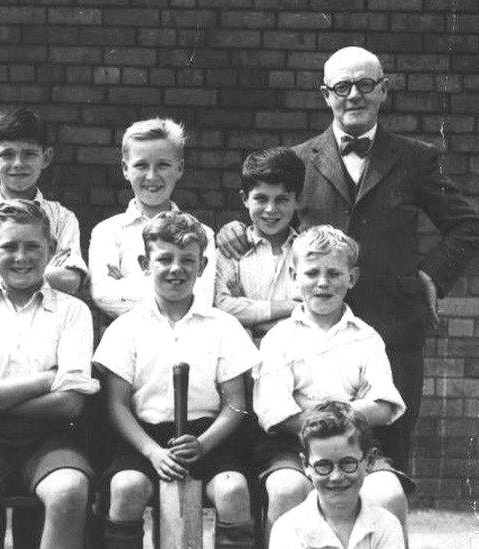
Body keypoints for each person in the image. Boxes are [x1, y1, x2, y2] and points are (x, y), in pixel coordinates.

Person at [217, 46, 479, 471]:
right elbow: (271, 216)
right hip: (310, 337)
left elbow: (466, 226)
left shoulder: (416, 158)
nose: (353, 95)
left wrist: (431, 277)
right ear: (326, 95)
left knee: (387, 460)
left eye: (365, 85)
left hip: (392, 327)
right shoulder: (299, 160)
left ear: (384, 91)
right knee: (301, 458)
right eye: (342, 86)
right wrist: (234, 230)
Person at [95, 210, 257, 549]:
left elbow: (237, 406)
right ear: (145, 263)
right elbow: (116, 406)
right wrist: (153, 453)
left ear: (201, 266)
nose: (176, 268)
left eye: (187, 260)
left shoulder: (224, 326)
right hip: (144, 440)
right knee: (126, 487)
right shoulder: (126, 328)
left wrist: (204, 444)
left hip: (208, 438)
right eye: (164, 258)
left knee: (233, 489)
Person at [0, 200, 98, 548]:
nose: (21, 257)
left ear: (52, 251)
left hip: (53, 439)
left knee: (70, 491)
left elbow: (70, 404)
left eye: (32, 246)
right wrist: (45, 380)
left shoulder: (73, 312)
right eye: (9, 246)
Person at [255, 226, 410, 541]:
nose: (322, 283)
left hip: (358, 444)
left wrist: (334, 423)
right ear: (294, 274)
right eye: (312, 273)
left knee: (388, 494)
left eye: (334, 274)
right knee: (287, 489)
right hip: (294, 445)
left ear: (352, 278)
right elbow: (277, 413)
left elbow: (382, 406)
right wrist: (343, 416)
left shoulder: (366, 337)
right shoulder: (278, 338)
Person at [0, 107, 87, 297]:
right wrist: (40, 273)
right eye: (7, 154)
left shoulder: (62, 217)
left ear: (46, 158)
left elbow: (69, 280)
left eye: (29, 154)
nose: (18, 163)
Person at [89, 118, 217, 319]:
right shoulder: (107, 231)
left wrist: (125, 284)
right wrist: (175, 290)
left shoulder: (203, 234)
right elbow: (104, 296)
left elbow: (201, 299)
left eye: (163, 165)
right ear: (125, 169)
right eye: (141, 165)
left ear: (180, 168)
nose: (151, 176)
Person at [269, 401, 404, 549]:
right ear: (306, 465)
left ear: (369, 461)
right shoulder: (288, 529)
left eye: (348, 463)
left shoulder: (385, 526)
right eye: (323, 466)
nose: (336, 477)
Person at [215, 147, 303, 341]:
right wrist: (290, 306)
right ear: (245, 199)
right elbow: (221, 308)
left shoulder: (307, 252)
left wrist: (248, 313)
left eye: (282, 200)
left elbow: (312, 309)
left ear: (297, 201)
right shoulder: (229, 250)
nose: (270, 209)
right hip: (240, 358)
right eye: (261, 199)